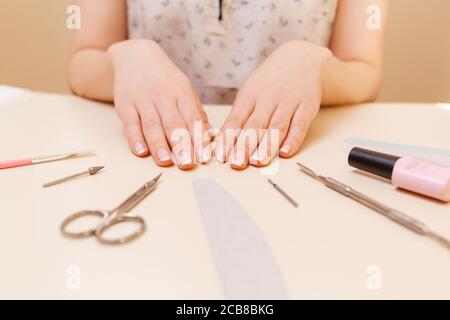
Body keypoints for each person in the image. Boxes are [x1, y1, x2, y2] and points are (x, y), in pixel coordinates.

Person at [69, 0, 387, 170]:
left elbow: (363, 70)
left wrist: (313, 65)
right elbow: (83, 63)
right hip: (152, 164)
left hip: (291, 164)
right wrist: (126, 58)